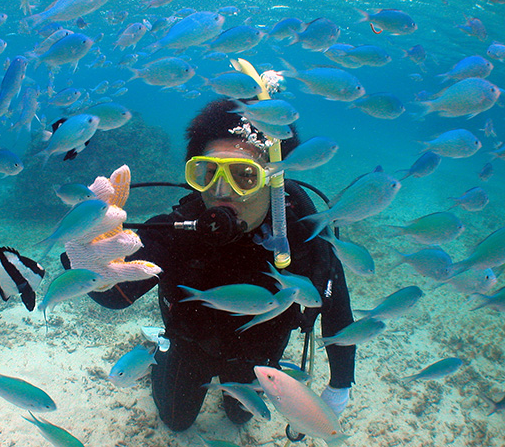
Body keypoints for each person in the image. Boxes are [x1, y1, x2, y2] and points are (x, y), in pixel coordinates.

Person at [64, 98, 355, 432]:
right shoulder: (178, 230)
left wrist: (340, 382)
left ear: (275, 180)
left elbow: (337, 311)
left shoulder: (303, 240)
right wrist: (91, 268)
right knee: (175, 420)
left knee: (241, 415)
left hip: (257, 361)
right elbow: (116, 296)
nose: (221, 192)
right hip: (190, 349)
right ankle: (154, 354)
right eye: (207, 173)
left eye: (245, 176)